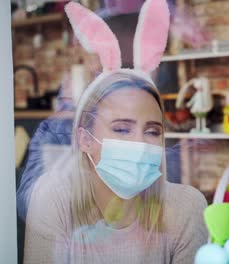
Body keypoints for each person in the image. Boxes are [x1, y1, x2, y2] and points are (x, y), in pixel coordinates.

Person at [24, 1, 207, 263]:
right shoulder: (53, 198)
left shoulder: (187, 208)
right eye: (122, 128)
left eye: (153, 132)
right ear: (84, 139)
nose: (140, 144)